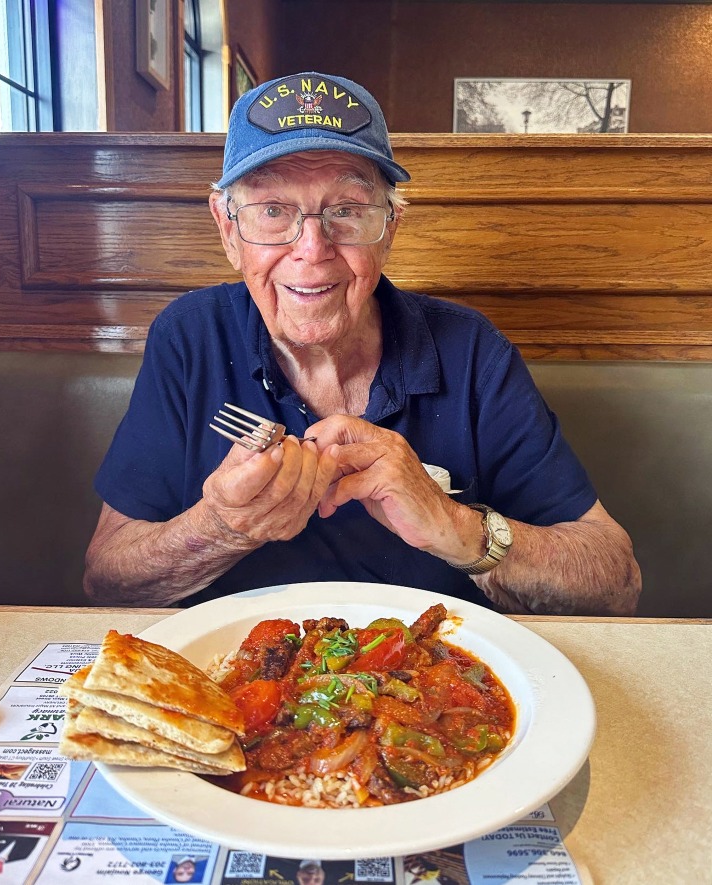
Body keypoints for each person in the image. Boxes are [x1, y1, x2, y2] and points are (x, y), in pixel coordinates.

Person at [84, 71, 641, 615]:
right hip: (231, 688)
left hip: (436, 681)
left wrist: (452, 525)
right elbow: (106, 578)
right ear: (229, 229)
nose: (311, 248)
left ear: (390, 227)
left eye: (346, 211)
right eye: (273, 210)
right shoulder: (190, 337)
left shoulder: (471, 352)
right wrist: (223, 527)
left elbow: (616, 581)